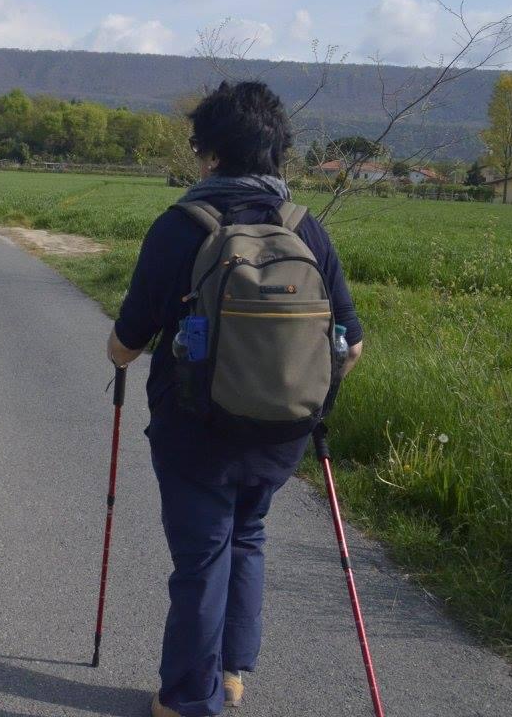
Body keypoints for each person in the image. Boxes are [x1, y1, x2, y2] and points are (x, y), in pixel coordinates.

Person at [106, 82, 363, 717]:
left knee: (201, 557)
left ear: (210, 153)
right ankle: (231, 677)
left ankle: (190, 701)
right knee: (247, 535)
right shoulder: (306, 228)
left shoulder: (181, 226)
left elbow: (128, 340)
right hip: (282, 430)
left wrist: (117, 357)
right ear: (277, 151)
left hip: (195, 430)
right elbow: (350, 345)